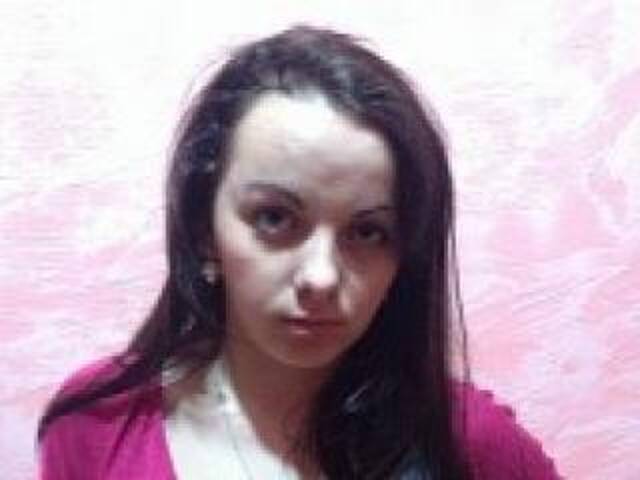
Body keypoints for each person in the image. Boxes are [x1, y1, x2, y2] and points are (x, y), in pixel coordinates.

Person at [37, 26, 561, 479]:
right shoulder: (98, 426)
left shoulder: (465, 442)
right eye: (275, 218)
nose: (321, 277)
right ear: (203, 228)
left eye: (368, 232)